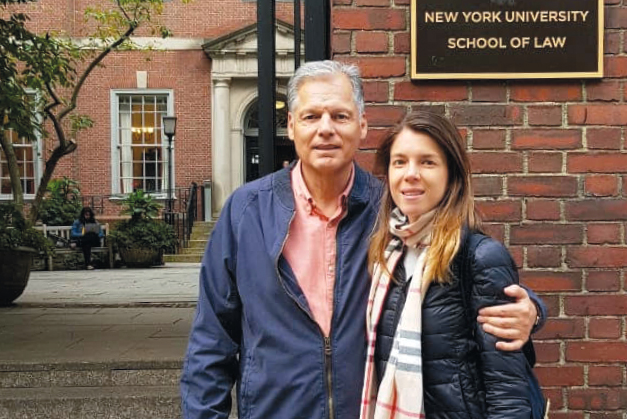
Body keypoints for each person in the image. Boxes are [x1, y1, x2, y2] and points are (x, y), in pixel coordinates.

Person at [180, 60, 545, 419]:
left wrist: (530, 309)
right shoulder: (246, 211)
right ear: (290, 126)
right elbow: (212, 340)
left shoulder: (390, 211)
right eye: (311, 117)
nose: (325, 129)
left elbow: (460, 261)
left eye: (340, 116)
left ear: (362, 125)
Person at [360, 111, 538, 419]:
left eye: (427, 162)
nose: (410, 173)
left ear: (451, 174)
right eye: (399, 161)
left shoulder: (480, 257)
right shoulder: (387, 255)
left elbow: (506, 388)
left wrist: (534, 311)